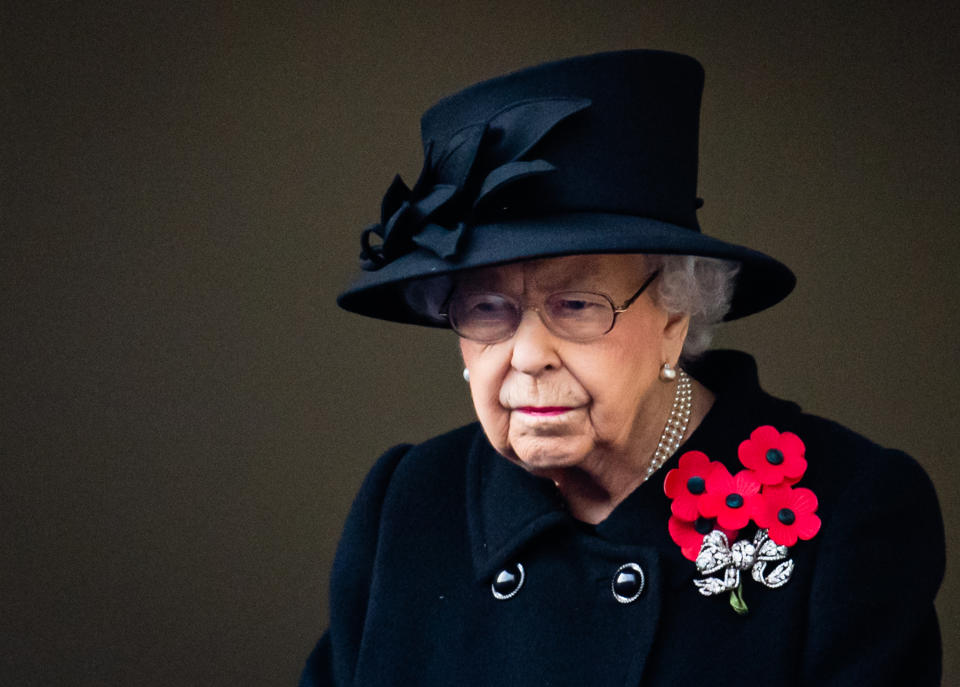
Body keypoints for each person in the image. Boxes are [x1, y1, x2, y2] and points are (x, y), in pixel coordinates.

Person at [299, 50, 944, 686]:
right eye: (488, 308)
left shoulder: (853, 514)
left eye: (576, 304)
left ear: (675, 313)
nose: (527, 357)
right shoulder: (408, 503)